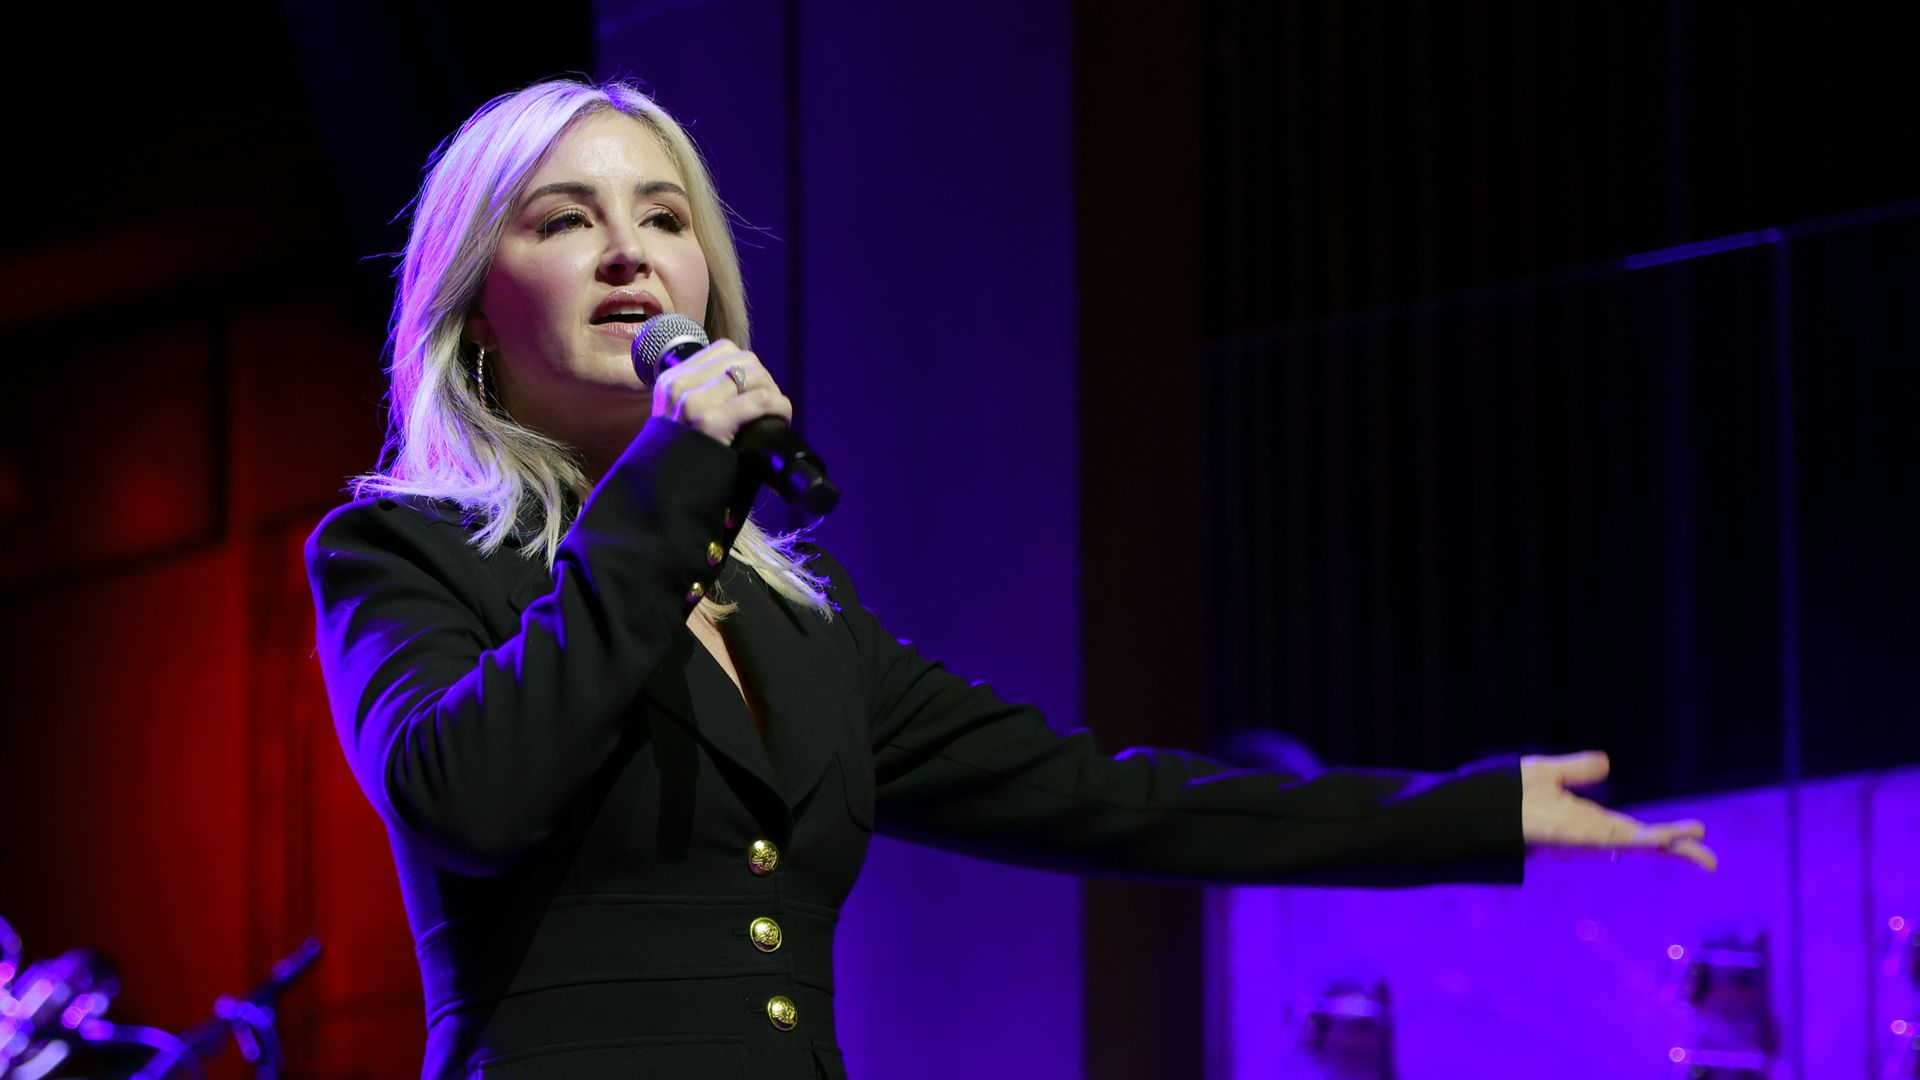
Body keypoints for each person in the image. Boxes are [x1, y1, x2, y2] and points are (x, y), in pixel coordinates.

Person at [304, 77, 1715, 1080]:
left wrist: (1460, 815)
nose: (626, 250)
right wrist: (672, 483)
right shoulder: (400, 554)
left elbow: (1116, 799)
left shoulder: (803, 628)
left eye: (663, 216)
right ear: (474, 310)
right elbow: (471, 796)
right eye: (561, 220)